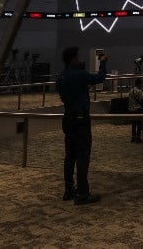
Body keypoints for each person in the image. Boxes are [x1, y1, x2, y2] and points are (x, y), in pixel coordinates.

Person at [56, 46, 107, 204]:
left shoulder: (61, 77)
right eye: (77, 57)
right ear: (73, 59)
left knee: (69, 156)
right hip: (81, 120)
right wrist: (103, 63)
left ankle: (68, 189)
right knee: (83, 156)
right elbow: (100, 78)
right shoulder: (80, 74)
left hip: (68, 118)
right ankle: (83, 193)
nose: (79, 59)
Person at [127, 78, 143, 143]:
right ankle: (138, 138)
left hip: (131, 109)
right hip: (137, 109)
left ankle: (133, 137)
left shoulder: (131, 90)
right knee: (139, 124)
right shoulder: (139, 91)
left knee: (133, 124)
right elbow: (141, 100)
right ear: (139, 84)